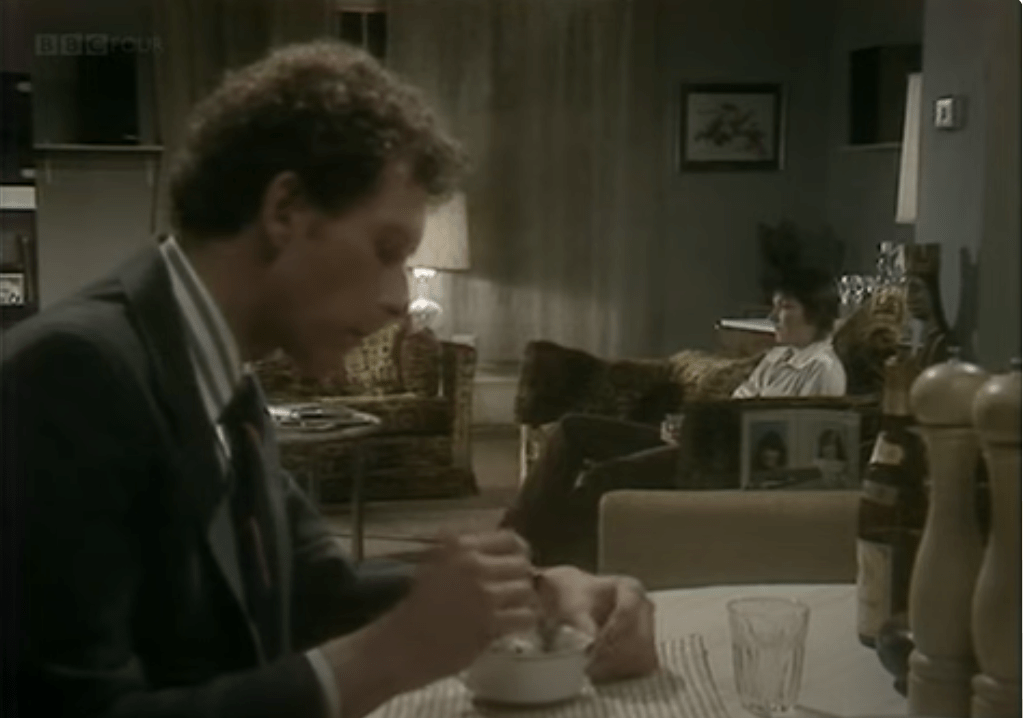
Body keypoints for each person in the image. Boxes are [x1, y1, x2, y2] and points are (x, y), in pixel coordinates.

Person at [2, 42, 657, 718]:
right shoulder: (67, 376)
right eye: (388, 250)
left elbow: (315, 592)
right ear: (285, 209)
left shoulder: (221, 372)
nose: (401, 299)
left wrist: (534, 590)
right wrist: (390, 655)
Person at [501, 267, 846, 568]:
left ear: (815, 312)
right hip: (703, 443)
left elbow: (797, 446)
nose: (772, 317)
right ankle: (512, 539)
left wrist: (707, 435)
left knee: (606, 476)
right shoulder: (776, 358)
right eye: (774, 306)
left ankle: (545, 554)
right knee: (572, 428)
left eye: (785, 307)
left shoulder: (824, 370)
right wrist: (692, 426)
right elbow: (735, 407)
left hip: (724, 465)